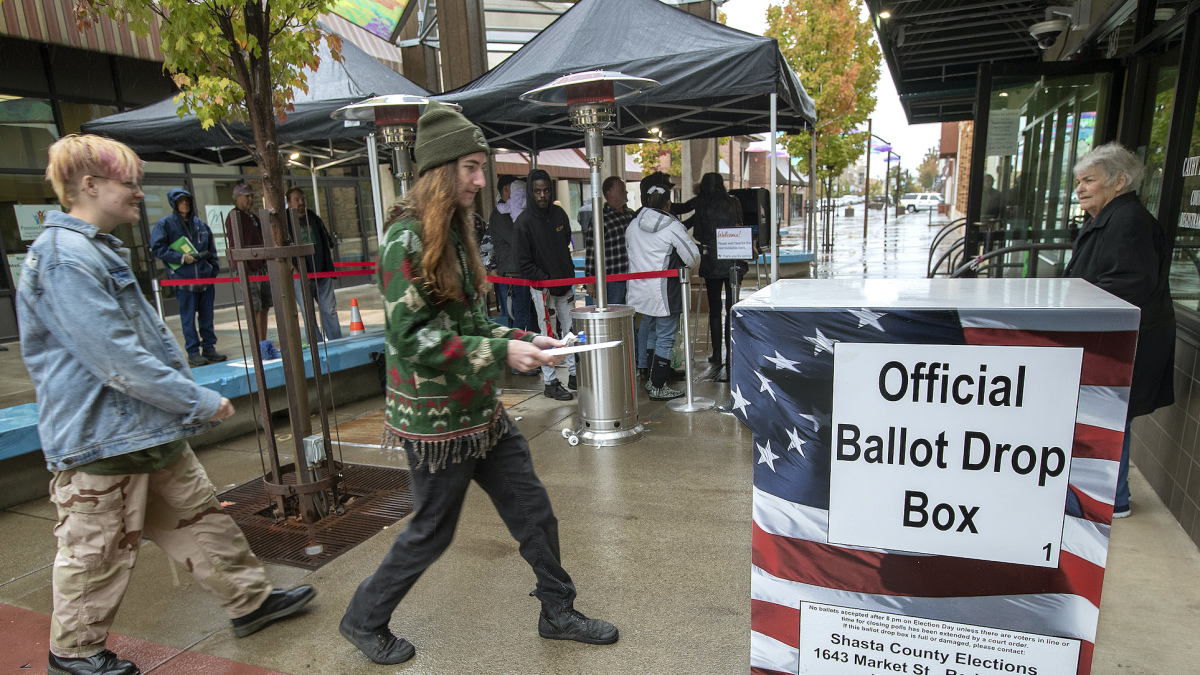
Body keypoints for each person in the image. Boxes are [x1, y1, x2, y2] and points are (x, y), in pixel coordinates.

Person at [17, 135, 314, 675]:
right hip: (100, 441)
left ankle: (251, 601)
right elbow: (116, 359)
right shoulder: (65, 258)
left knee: (203, 521)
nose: (138, 193)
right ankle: (74, 653)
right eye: (127, 182)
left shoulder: (91, 248)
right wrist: (197, 400)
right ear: (89, 186)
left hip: (140, 431)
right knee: (96, 551)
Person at [338, 103, 618, 665]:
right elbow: (413, 338)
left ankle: (557, 610)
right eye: (469, 166)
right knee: (432, 532)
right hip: (436, 423)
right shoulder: (405, 241)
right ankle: (364, 619)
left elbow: (465, 324)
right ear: (440, 171)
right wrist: (500, 352)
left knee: (534, 510)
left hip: (480, 412)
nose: (479, 179)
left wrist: (524, 337)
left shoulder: (454, 231)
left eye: (480, 166)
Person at [1064, 142, 1174, 520]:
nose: (1080, 188)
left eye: (1089, 180)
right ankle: (1109, 495)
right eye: (1078, 181)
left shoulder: (1129, 222)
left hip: (1123, 343)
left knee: (1110, 415)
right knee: (1107, 414)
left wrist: (1074, 309)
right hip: (1108, 341)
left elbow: (1127, 285)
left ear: (1119, 181)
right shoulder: (1107, 219)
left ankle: (1114, 498)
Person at [626, 171, 700, 401]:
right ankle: (658, 385)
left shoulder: (633, 224)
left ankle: (650, 380)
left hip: (640, 291)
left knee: (651, 336)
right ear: (668, 203)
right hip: (665, 291)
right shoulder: (672, 226)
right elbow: (692, 256)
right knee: (665, 338)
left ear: (647, 202)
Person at [514, 169, 577, 400]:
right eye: (538, 191)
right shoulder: (523, 223)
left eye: (546, 190)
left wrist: (566, 274)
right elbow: (523, 263)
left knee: (571, 330)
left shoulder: (559, 214)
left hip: (565, 284)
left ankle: (574, 374)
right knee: (547, 334)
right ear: (531, 192)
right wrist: (544, 279)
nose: (542, 195)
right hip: (542, 289)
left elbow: (565, 246)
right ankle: (550, 382)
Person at [149, 188, 226, 367]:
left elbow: (211, 249)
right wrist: (181, 258)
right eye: (180, 201)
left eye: (187, 200)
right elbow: (158, 248)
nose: (185, 204)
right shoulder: (165, 224)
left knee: (207, 316)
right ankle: (193, 352)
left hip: (205, 280)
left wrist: (213, 270)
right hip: (184, 280)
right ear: (174, 204)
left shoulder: (200, 224)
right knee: (188, 318)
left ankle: (209, 347)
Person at [687, 173, 747, 365]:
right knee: (732, 307)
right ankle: (732, 352)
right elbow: (740, 224)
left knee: (714, 310)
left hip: (712, 262)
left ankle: (717, 353)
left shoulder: (701, 203)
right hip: (733, 260)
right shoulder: (733, 201)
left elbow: (698, 232)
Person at [225, 181, 278, 360]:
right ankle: (257, 346)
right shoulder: (234, 216)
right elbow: (235, 245)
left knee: (264, 307)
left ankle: (263, 343)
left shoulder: (252, 217)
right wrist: (244, 269)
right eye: (246, 196)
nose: (250, 199)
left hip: (262, 267)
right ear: (237, 198)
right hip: (249, 269)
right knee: (255, 308)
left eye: (252, 196)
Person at [286, 187, 342, 341]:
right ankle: (316, 347)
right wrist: (293, 268)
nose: (301, 202)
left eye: (303, 198)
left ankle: (336, 343)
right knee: (308, 313)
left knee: (329, 310)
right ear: (289, 203)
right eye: (297, 199)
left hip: (323, 273)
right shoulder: (285, 224)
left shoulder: (314, 218)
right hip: (301, 277)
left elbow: (325, 241)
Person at [583, 176, 635, 306]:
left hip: (633, 278)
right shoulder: (600, 218)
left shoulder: (631, 215)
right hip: (612, 280)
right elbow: (591, 252)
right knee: (614, 315)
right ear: (609, 193)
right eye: (622, 190)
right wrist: (591, 282)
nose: (626, 193)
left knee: (631, 316)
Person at [488, 175, 518, 328]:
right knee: (511, 316)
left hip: (514, 271)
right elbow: (515, 239)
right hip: (508, 273)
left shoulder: (511, 210)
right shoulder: (500, 214)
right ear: (507, 189)